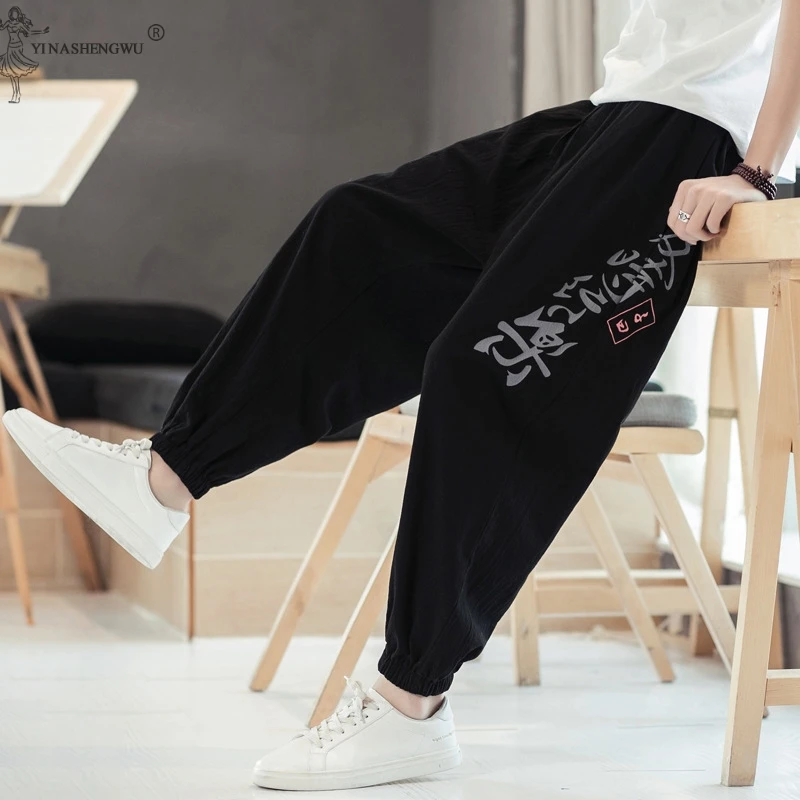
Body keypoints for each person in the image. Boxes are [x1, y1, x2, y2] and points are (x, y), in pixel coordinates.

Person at [5, 0, 800, 792]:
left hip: (688, 145)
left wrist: (754, 171)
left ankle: (411, 701)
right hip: (607, 117)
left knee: (483, 364)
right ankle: (166, 477)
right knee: (355, 229)